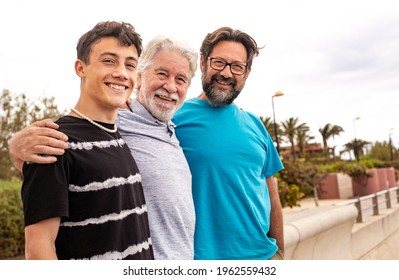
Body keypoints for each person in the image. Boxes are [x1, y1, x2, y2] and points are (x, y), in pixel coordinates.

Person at [8, 36, 198, 260]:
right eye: (162, 74)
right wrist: (15, 145)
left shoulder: (172, 128)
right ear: (140, 77)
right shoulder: (118, 120)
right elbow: (78, 129)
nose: (170, 86)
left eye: (181, 79)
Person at [16, 21, 154, 260]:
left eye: (130, 64)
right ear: (81, 68)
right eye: (109, 60)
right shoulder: (54, 142)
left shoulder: (117, 137)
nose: (121, 72)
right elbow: (39, 248)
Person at [172, 26, 285, 260]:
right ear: (203, 63)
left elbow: (271, 194)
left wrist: (280, 253)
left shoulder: (255, 124)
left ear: (247, 72)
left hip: (263, 258)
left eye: (237, 66)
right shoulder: (173, 118)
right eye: (219, 62)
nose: (226, 73)